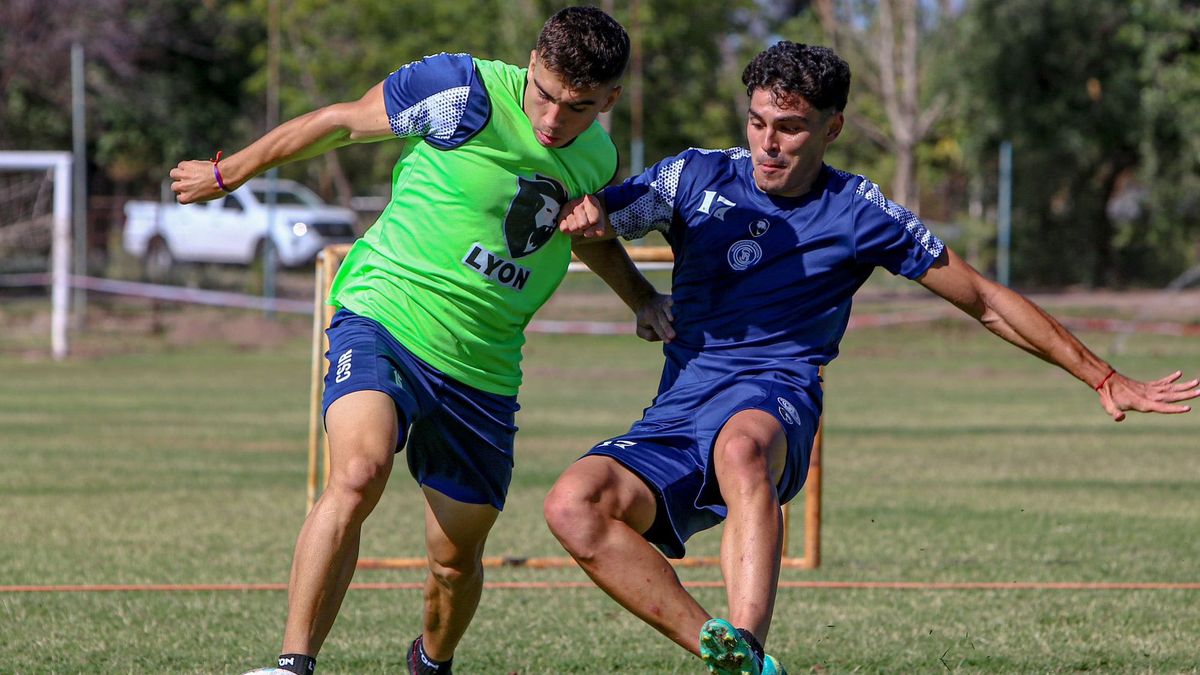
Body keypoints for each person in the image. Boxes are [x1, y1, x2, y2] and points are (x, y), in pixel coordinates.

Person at [544, 41, 1198, 675]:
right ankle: (739, 663)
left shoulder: (858, 212)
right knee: (574, 505)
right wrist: (634, 287)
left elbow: (984, 299)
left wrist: (1102, 376)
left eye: (790, 128)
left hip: (775, 394)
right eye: (758, 122)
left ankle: (747, 635)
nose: (768, 143)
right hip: (682, 403)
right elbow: (595, 221)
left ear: (832, 129)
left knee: (741, 448)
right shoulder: (693, 176)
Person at [169, 7, 628, 675]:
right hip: (384, 313)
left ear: (609, 99)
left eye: (578, 106)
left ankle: (431, 662)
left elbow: (592, 238)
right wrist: (229, 172)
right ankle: (292, 664)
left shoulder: (599, 160)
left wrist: (645, 302)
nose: (554, 118)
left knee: (454, 560)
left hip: (482, 368)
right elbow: (339, 122)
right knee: (358, 473)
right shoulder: (462, 90)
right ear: (532, 64)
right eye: (545, 94)